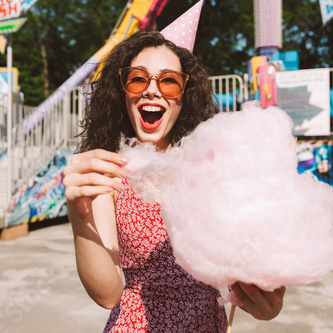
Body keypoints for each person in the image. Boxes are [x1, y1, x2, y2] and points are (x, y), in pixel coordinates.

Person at [63, 27, 284, 332]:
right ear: (122, 90)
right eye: (138, 78)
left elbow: (245, 271)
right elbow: (107, 294)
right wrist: (79, 214)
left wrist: (265, 302)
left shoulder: (211, 167)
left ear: (184, 95)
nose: (151, 90)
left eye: (168, 81)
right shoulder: (109, 169)